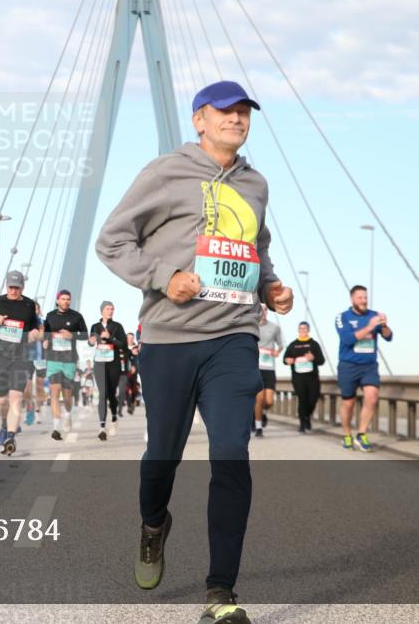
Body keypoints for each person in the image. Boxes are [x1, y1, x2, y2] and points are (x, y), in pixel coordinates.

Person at [96, 79, 292, 623]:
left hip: (233, 338)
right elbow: (111, 240)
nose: (236, 120)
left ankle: (220, 594)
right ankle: (154, 524)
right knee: (163, 457)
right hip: (169, 339)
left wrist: (270, 288)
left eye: (244, 113)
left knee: (232, 454)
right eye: (225, 112)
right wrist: (163, 276)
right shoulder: (165, 173)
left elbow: (256, 246)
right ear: (199, 119)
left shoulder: (256, 184)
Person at [0, 270, 42, 456]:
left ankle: (11, 437)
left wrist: (35, 333)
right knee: (2, 400)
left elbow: (35, 326)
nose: (13, 291)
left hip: (21, 357)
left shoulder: (28, 305)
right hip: (0, 357)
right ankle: (5, 424)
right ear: (7, 286)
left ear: (22, 287)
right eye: (11, 287)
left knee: (16, 398)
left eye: (17, 287)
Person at [335, 285, 393, 452]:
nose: (364, 300)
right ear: (353, 299)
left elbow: (389, 337)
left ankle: (361, 434)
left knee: (372, 397)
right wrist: (369, 327)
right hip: (348, 365)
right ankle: (347, 434)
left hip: (369, 365)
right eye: (360, 297)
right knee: (349, 403)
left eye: (365, 297)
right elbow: (347, 339)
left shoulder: (374, 316)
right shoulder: (342, 317)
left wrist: (384, 326)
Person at [43, 289, 88, 440]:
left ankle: (68, 415)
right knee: (54, 393)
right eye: (63, 299)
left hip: (69, 360)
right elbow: (45, 335)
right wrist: (45, 341)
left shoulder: (76, 316)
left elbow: (86, 335)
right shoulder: (50, 316)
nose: (66, 301)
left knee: (67, 394)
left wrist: (72, 335)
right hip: (53, 359)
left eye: (68, 299)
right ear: (57, 301)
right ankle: (56, 427)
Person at [88, 301, 129, 441]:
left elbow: (123, 345)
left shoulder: (117, 326)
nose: (110, 311)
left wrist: (109, 337)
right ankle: (102, 427)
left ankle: (114, 418)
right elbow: (90, 341)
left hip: (114, 363)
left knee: (111, 393)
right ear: (102, 311)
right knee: (102, 393)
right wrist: (92, 340)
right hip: (99, 363)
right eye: (108, 309)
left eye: (112, 309)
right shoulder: (95, 326)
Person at [282, 322, 325, 432]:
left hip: (312, 377)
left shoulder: (314, 344)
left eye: (304, 328)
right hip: (298, 377)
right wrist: (288, 361)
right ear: (298, 330)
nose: (302, 330)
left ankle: (306, 417)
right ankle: (302, 424)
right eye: (300, 328)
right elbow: (285, 359)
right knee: (302, 399)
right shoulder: (293, 344)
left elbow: (321, 360)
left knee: (313, 399)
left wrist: (313, 358)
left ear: (308, 330)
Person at [254, 306, 283, 438]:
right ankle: (259, 427)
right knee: (259, 399)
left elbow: (281, 344)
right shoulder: (251, 325)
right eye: (260, 309)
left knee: (269, 401)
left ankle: (263, 413)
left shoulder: (275, 327)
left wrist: (278, 351)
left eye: (265, 309)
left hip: (269, 368)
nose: (263, 312)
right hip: (256, 367)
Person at [24, 302, 48, 426]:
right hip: (27, 357)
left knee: (39, 386)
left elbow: (44, 336)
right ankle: (30, 408)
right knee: (27, 387)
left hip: (41, 358)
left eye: (36, 309)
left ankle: (38, 411)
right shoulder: (25, 323)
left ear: (39, 310)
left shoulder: (43, 323)